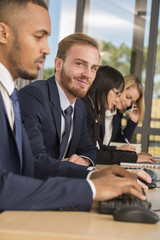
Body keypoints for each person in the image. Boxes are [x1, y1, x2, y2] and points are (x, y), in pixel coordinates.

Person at [0, 0, 148, 211]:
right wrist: (92, 185)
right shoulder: (31, 96)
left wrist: (92, 171)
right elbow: (30, 167)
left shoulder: (74, 106)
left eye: (94, 68)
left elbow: (88, 149)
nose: (47, 49)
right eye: (38, 36)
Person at [18, 33, 99, 167]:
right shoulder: (34, 96)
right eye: (80, 64)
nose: (87, 75)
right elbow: (35, 160)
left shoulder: (79, 107)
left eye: (93, 68)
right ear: (58, 64)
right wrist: (84, 172)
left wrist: (83, 161)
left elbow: (89, 150)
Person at [82, 66, 155, 164]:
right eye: (127, 97)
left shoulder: (116, 116)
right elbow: (95, 152)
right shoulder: (88, 109)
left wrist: (132, 121)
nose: (129, 104)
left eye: (132, 101)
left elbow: (109, 146)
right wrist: (131, 157)